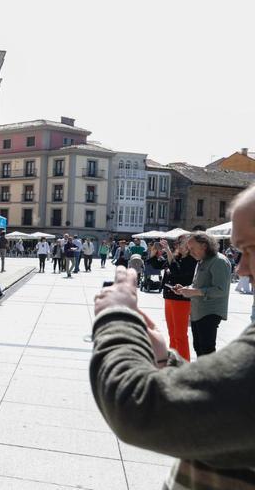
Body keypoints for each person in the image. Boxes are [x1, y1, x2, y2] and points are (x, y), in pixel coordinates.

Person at [89, 185, 255, 488]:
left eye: (250, 249)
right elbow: (219, 401)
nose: (242, 269)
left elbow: (135, 408)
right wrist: (168, 362)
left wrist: (116, 319)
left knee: (205, 345)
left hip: (205, 309)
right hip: (190, 306)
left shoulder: (216, 263)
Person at [171, 232, 232, 358]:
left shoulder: (219, 261)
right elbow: (197, 285)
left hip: (210, 312)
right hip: (198, 311)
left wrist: (195, 292)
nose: (190, 252)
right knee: (198, 347)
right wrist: (185, 289)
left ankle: (209, 377)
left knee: (207, 349)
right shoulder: (202, 261)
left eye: (192, 248)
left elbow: (221, 290)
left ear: (204, 245)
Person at [148, 236, 197, 361]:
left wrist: (168, 251)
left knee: (180, 335)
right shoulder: (176, 256)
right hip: (169, 297)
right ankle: (174, 360)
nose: (176, 245)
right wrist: (153, 253)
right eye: (176, 243)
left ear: (188, 245)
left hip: (181, 299)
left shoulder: (191, 260)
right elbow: (157, 265)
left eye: (179, 243)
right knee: (172, 334)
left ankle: (184, 362)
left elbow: (176, 270)